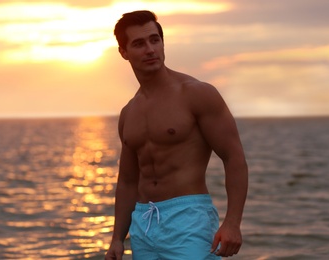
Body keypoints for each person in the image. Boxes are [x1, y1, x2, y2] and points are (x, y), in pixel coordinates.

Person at [105, 10, 248, 260]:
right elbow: (128, 181)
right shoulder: (128, 112)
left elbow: (233, 157)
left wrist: (232, 222)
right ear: (124, 52)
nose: (150, 49)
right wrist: (117, 238)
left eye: (155, 40)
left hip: (188, 218)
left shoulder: (196, 94)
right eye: (139, 43)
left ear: (162, 43)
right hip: (143, 223)